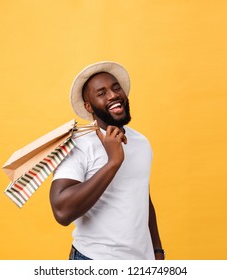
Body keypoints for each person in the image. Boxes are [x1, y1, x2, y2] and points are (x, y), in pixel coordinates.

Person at [50, 61, 164, 260]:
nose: (112, 95)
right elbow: (62, 211)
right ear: (88, 106)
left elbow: (141, 196)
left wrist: (157, 250)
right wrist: (113, 162)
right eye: (101, 93)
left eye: (116, 87)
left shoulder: (141, 142)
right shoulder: (78, 144)